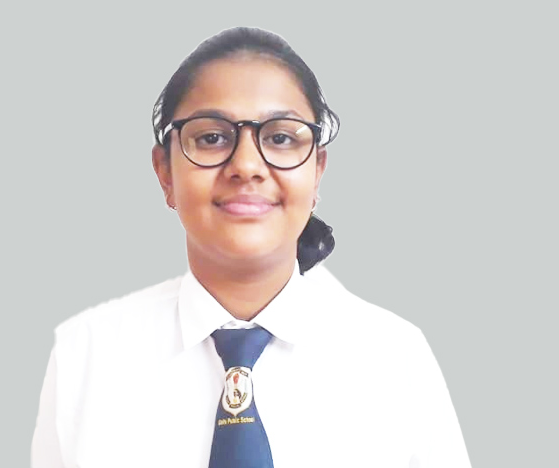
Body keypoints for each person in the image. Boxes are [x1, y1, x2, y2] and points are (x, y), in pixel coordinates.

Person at [31, 27, 471, 467]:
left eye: (280, 138)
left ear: (317, 171)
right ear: (164, 172)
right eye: (212, 138)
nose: (246, 165)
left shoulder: (396, 359)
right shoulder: (84, 356)